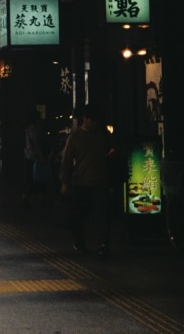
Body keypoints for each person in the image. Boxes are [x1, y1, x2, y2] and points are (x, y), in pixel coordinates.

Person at [60, 105, 114, 258]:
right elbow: (67, 161)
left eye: (96, 121)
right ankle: (79, 241)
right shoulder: (75, 137)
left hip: (100, 181)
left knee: (102, 215)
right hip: (81, 182)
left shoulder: (102, 134)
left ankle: (103, 244)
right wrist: (65, 181)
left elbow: (112, 148)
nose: (94, 124)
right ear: (85, 119)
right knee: (78, 215)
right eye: (92, 120)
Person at [22, 110, 47, 206]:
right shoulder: (36, 129)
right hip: (34, 156)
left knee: (28, 177)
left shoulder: (27, 129)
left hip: (27, 155)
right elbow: (37, 144)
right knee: (38, 178)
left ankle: (26, 197)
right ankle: (40, 199)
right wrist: (41, 155)